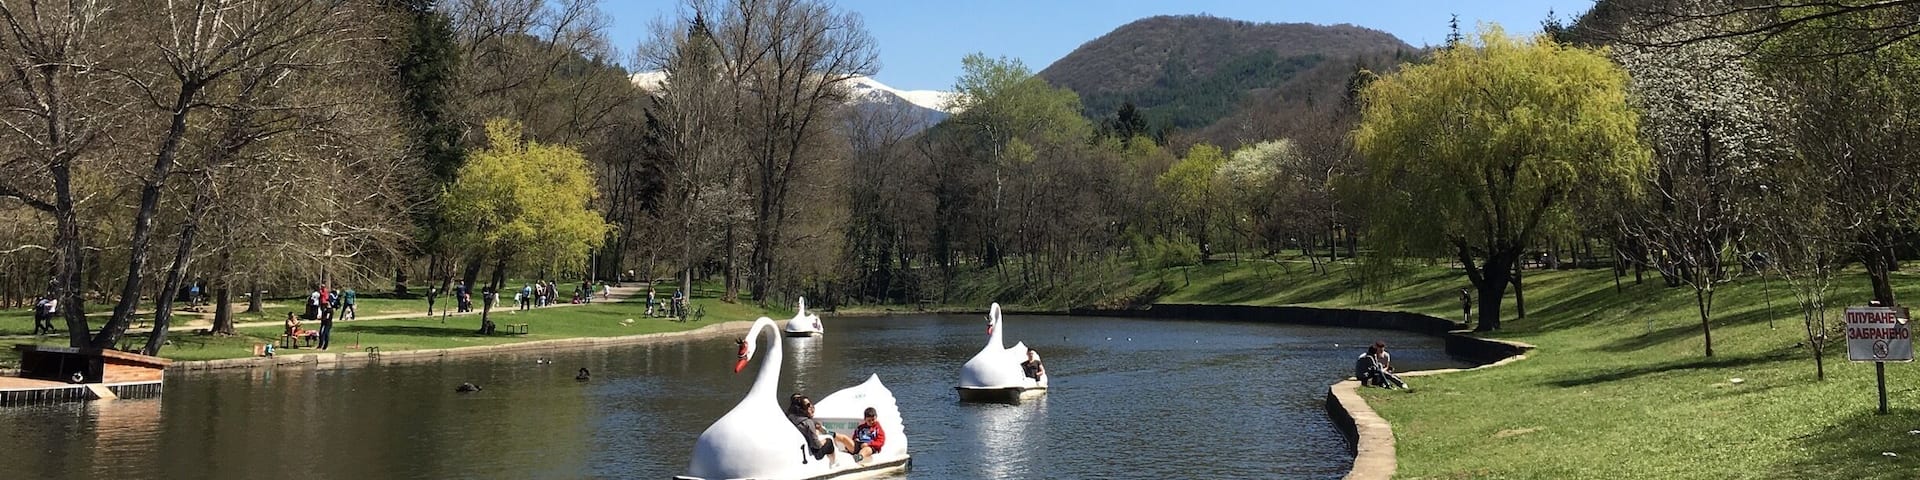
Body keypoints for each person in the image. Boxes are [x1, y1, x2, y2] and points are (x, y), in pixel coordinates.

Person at [787, 394, 856, 466]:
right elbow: (817, 445)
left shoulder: (790, 417)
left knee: (834, 436)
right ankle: (835, 463)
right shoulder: (808, 423)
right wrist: (823, 439)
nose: (811, 406)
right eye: (807, 405)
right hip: (813, 452)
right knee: (830, 440)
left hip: (803, 446)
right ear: (801, 408)